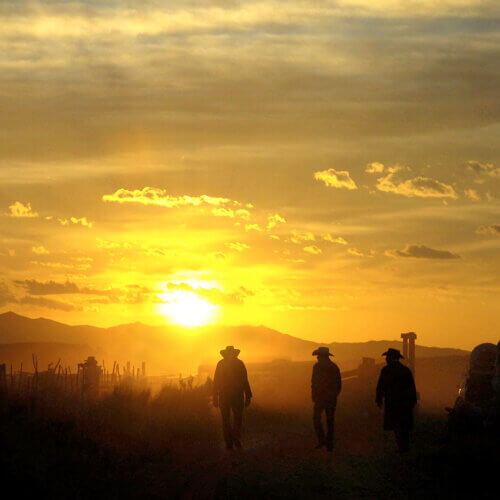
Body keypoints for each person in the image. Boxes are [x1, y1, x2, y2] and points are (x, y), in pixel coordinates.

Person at [376, 348, 417, 453]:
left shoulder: (386, 370)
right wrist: (412, 401)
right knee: (403, 425)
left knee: (396, 425)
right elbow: (411, 387)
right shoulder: (406, 370)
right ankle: (404, 446)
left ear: (390, 358)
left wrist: (379, 398)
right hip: (405, 403)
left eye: (387, 357)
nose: (385, 359)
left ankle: (401, 446)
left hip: (392, 402)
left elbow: (381, 386)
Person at [213, 346, 252, 450]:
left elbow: (216, 381)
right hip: (235, 396)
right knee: (235, 419)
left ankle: (231, 441)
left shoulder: (221, 364)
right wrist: (248, 395)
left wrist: (215, 397)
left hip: (226, 396)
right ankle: (234, 440)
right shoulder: (239, 364)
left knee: (228, 420)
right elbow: (245, 381)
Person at [311, 347, 342, 451]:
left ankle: (323, 441)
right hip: (328, 398)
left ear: (323, 357)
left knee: (318, 419)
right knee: (329, 421)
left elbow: (314, 383)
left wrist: (314, 395)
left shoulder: (318, 367)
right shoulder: (333, 367)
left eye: (319, 356)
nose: (317, 358)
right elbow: (338, 385)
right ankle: (328, 442)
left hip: (322, 398)